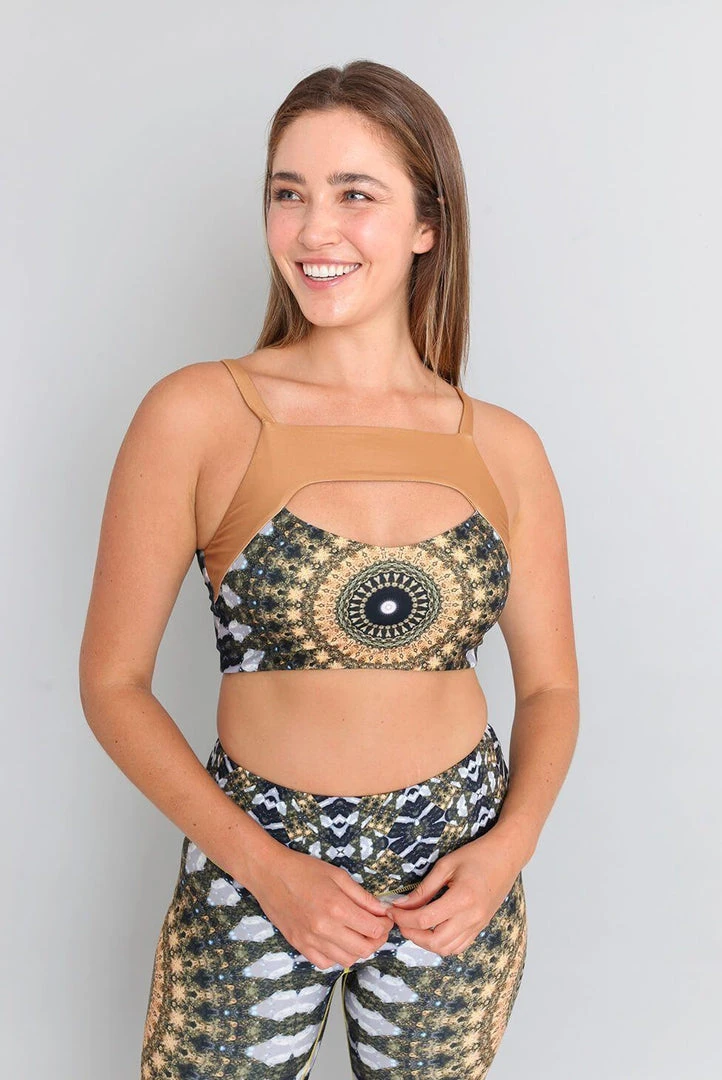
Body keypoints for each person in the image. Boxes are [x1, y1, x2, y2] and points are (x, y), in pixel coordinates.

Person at [79, 60, 579, 1080]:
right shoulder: (198, 414)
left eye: (355, 194)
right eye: (288, 193)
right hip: (255, 851)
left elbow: (550, 689)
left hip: (455, 866)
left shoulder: (504, 446)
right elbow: (111, 683)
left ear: (427, 223)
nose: (314, 230)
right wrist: (266, 868)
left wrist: (506, 848)